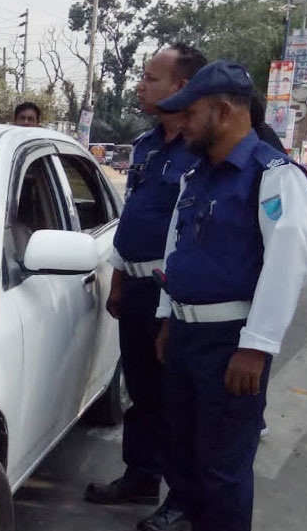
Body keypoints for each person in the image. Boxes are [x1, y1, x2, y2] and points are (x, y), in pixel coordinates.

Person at [154, 60, 307, 531]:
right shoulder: (195, 175)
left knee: (223, 465)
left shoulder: (273, 176)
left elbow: (287, 266)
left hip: (231, 342)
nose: (180, 124)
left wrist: (256, 347)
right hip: (184, 334)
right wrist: (167, 316)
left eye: (190, 113)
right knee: (182, 448)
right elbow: (175, 247)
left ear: (223, 111)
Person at [84, 44, 204, 531]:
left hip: (173, 294)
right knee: (140, 389)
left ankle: (182, 499)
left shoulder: (200, 149)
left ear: (181, 87)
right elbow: (129, 217)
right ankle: (141, 475)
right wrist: (116, 282)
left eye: (150, 78)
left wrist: (176, 304)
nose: (140, 85)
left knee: (177, 399)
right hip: (133, 285)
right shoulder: (146, 144)